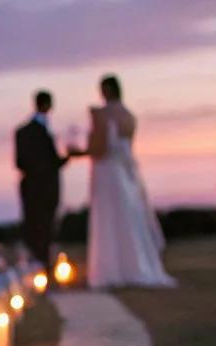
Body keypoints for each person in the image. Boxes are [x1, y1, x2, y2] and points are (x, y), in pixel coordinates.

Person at [71, 75, 175, 289]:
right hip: (127, 172)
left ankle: (112, 269)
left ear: (107, 90)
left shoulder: (101, 115)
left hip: (106, 171)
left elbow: (99, 149)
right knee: (130, 217)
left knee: (108, 218)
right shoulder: (129, 116)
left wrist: (77, 152)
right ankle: (136, 265)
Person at [14, 90, 68, 272]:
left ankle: (40, 267)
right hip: (43, 187)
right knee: (42, 226)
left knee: (37, 227)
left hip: (32, 186)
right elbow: (52, 162)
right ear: (48, 105)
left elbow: (19, 162)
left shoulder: (22, 132)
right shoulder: (34, 132)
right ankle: (41, 267)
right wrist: (67, 157)